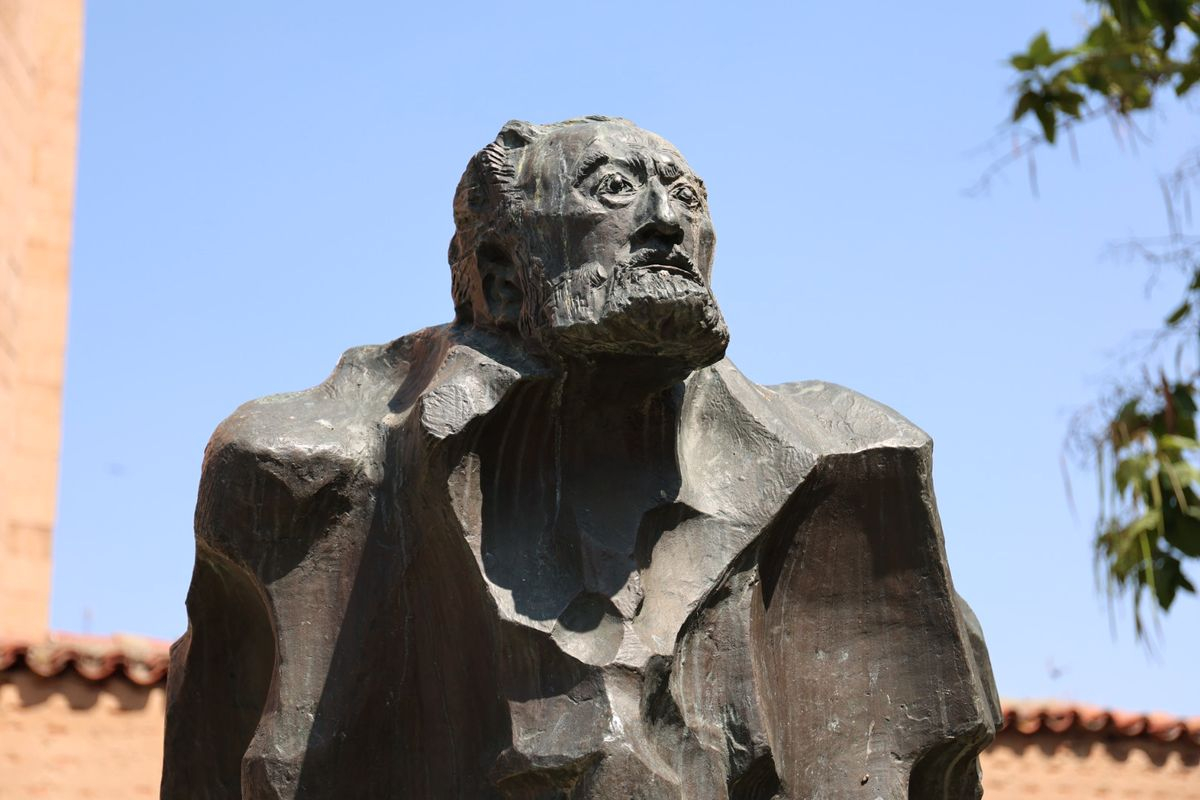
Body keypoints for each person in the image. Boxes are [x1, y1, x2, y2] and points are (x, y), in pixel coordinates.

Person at [162, 117, 999, 799]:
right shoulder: (304, 477)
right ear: (500, 272)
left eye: (687, 197)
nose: (667, 223)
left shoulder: (857, 472)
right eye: (615, 191)